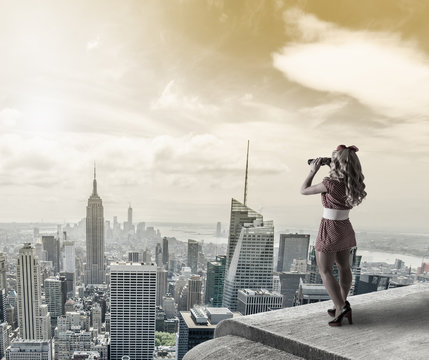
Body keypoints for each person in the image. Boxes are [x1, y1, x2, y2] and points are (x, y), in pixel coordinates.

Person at [301, 144, 367, 326]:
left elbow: (304, 190)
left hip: (330, 228)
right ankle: (341, 303)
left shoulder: (329, 184)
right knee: (344, 267)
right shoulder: (353, 182)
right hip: (345, 227)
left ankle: (341, 306)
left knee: (325, 270)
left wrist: (313, 170)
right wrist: (331, 164)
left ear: (337, 163)